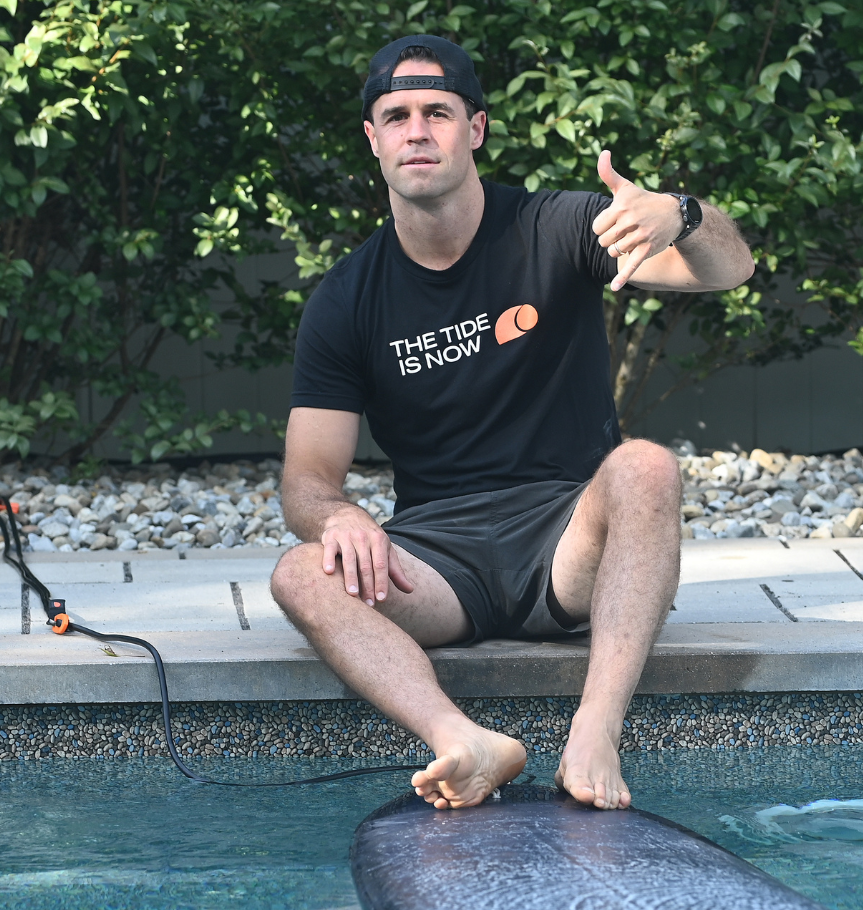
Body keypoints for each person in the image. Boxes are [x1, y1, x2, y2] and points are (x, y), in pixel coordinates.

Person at [271, 35, 753, 812]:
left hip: (568, 540)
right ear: (373, 139)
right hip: (437, 559)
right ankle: (463, 739)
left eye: (438, 111)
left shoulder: (555, 227)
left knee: (645, 467)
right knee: (299, 571)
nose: (417, 131)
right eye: (396, 116)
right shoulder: (345, 300)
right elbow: (306, 481)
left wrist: (683, 216)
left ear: (477, 128)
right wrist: (341, 516)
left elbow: (729, 270)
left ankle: (594, 729)